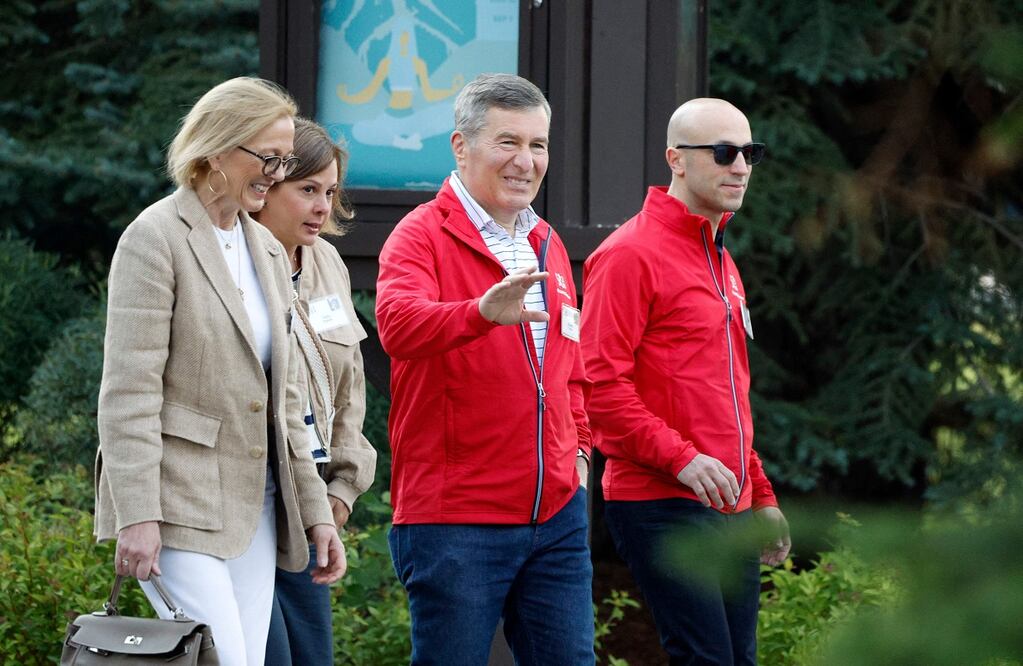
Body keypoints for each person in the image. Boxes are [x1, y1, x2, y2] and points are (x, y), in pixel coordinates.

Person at [94, 77, 346, 666]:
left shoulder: (264, 246)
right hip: (176, 503)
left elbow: (286, 400)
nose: (275, 174)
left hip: (256, 506)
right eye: (268, 158)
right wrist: (137, 515)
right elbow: (129, 392)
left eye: (284, 160)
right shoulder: (154, 238)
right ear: (217, 149)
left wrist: (316, 514)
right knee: (226, 658)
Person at [375, 73, 595, 665]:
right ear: (461, 146)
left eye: (538, 144)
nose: (526, 161)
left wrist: (578, 452)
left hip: (557, 515)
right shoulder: (419, 234)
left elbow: (570, 367)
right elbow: (397, 326)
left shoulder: (547, 241)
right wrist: (478, 314)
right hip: (456, 520)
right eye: (508, 142)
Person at [580, 98, 791, 666]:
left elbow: (727, 396)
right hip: (661, 499)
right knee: (708, 659)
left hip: (729, 500)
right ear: (675, 159)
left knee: (737, 660)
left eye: (750, 153)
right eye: (723, 152)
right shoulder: (628, 255)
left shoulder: (721, 259)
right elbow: (599, 389)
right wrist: (682, 459)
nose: (740, 166)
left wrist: (760, 493)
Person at [256, 118, 378, 665]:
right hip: (250, 497)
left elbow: (349, 385)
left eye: (330, 192)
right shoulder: (233, 258)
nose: (323, 207)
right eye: (307, 189)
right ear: (265, 187)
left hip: (312, 506)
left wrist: (343, 489)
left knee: (312, 657)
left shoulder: (326, 260)